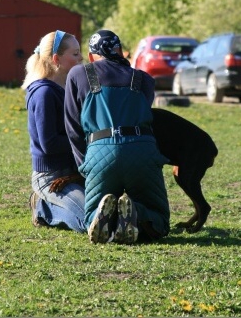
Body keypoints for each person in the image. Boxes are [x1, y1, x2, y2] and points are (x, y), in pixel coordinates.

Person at [64, 29, 170, 244]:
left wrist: (84, 164)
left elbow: (72, 127)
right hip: (141, 149)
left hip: (99, 150)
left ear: (92, 55)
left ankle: (104, 217)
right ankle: (137, 213)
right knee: (159, 217)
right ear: (120, 51)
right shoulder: (144, 79)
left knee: (91, 212)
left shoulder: (78, 74)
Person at [21, 30, 86, 233]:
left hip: (74, 173)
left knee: (105, 210)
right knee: (91, 220)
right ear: (57, 58)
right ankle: (42, 207)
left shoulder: (68, 87)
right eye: (75, 54)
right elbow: (49, 144)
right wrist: (86, 141)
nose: (81, 57)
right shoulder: (44, 93)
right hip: (50, 176)